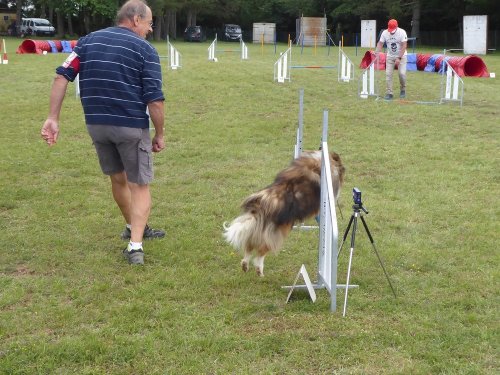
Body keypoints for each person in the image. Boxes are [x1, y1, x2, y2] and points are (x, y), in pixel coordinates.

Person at [41, 0, 165, 265]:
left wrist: (53, 118)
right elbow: (155, 99)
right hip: (130, 125)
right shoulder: (145, 50)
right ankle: (135, 247)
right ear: (135, 20)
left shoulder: (86, 42)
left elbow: (61, 76)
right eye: (149, 23)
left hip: (96, 125)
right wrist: (160, 133)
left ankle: (134, 228)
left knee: (118, 180)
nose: (150, 29)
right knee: (139, 185)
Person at [375, 19, 408, 100]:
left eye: (393, 29)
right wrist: (377, 52)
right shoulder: (385, 33)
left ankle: (403, 89)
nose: (391, 32)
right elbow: (380, 43)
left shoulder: (402, 32)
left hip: (402, 56)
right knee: (388, 74)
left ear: (397, 27)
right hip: (390, 56)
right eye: (390, 29)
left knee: (402, 74)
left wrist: (399, 57)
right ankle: (389, 93)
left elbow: (404, 45)